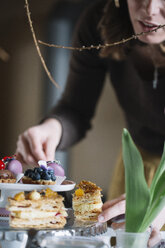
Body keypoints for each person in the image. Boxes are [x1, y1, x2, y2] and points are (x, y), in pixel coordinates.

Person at [16, 0, 165, 245]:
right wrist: (53, 127)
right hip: (136, 168)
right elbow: (75, 107)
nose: (149, 9)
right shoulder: (101, 21)